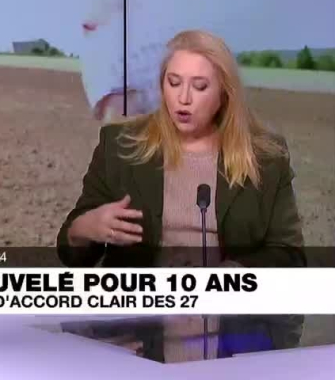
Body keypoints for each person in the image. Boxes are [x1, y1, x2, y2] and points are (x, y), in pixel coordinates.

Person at [57, 28, 306, 362]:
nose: (183, 98)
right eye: (174, 83)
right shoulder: (119, 147)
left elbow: (289, 256)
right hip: (140, 344)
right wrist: (85, 227)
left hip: (232, 342)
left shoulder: (266, 159)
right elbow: (73, 253)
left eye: (199, 87)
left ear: (224, 94)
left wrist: (232, 274)